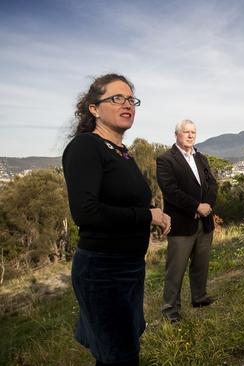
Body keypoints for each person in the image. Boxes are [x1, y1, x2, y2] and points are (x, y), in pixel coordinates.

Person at [63, 73, 171, 366]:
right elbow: (85, 212)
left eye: (131, 99)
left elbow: (128, 199)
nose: (127, 104)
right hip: (102, 269)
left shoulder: (122, 152)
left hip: (129, 266)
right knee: (120, 356)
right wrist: (148, 215)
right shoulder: (86, 146)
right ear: (94, 108)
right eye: (116, 98)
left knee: (120, 351)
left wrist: (154, 213)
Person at [156, 119, 217, 322]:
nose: (190, 135)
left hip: (204, 222)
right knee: (176, 270)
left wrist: (207, 206)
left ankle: (199, 297)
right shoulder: (165, 160)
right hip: (182, 225)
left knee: (201, 264)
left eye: (193, 132)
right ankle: (171, 310)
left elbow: (212, 184)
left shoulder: (201, 158)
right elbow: (171, 191)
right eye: (186, 132)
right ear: (176, 135)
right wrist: (196, 206)